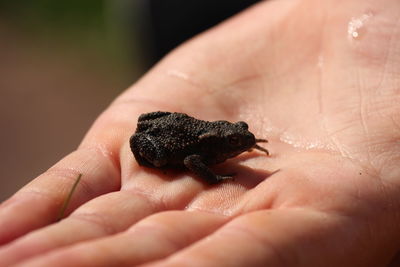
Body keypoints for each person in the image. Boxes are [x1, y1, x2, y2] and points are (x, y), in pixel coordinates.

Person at [1, 0, 400, 266]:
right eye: (234, 141)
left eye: (239, 137)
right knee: (158, 151)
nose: (241, 141)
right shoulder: (205, 152)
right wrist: (214, 178)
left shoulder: (227, 141)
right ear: (220, 144)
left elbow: (230, 143)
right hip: (168, 88)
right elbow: (191, 159)